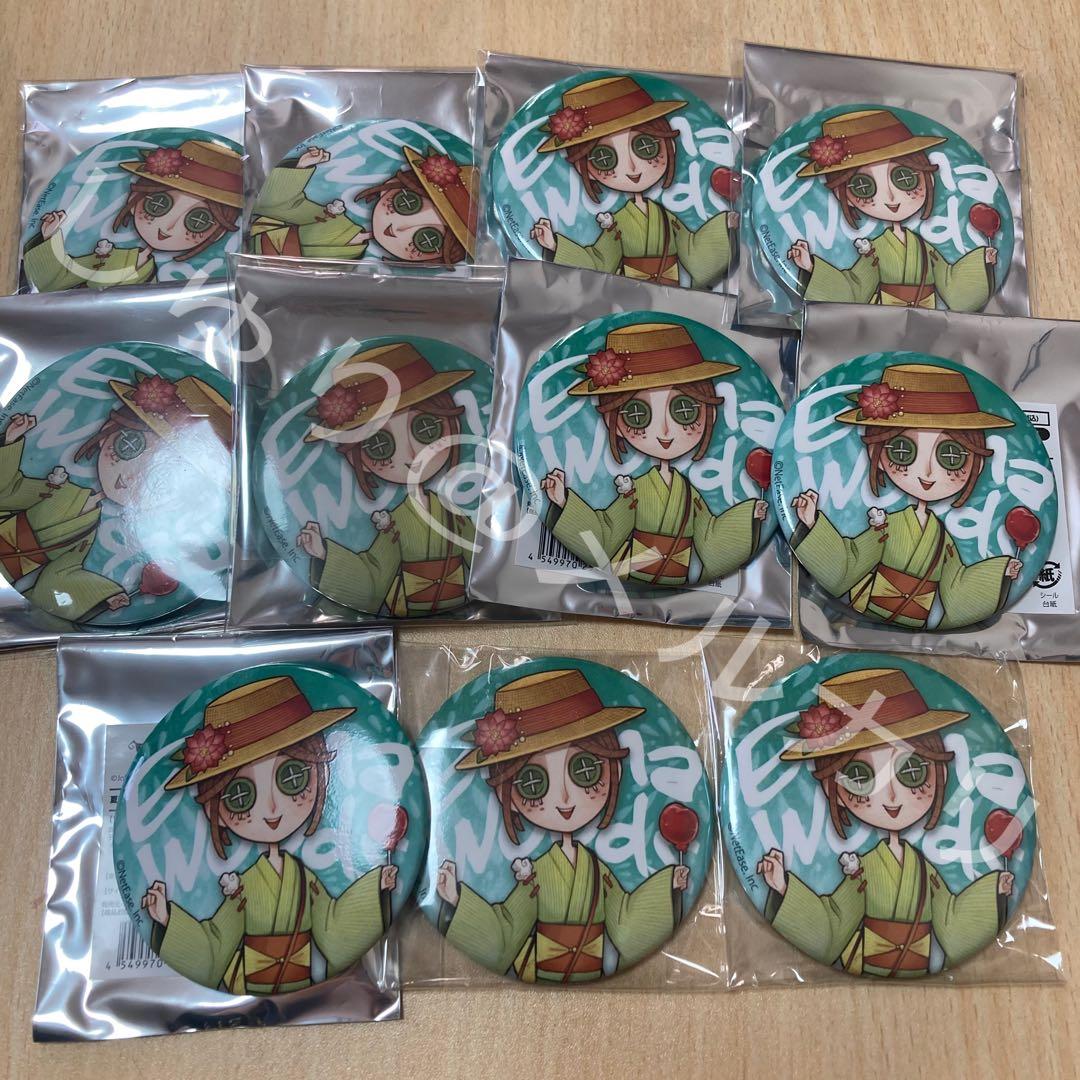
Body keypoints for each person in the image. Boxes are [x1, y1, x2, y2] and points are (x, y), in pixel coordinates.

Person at [141, 674, 399, 995]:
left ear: (320, 774)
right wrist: (168, 920)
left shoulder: (303, 879)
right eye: (241, 794)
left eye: (292, 778)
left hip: (306, 985)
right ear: (213, 808)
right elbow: (216, 941)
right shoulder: (245, 887)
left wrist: (375, 885)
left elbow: (333, 927)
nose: (272, 808)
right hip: (253, 983)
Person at [435, 667, 690, 983]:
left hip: (596, 977)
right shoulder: (537, 875)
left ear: (615, 770)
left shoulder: (596, 871)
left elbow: (625, 920)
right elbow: (506, 928)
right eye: (534, 782)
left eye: (585, 770)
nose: (565, 798)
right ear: (507, 795)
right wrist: (457, 899)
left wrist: (668, 885)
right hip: (542, 977)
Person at [757, 666, 1013, 977]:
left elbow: (951, 918)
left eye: (912, 771)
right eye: (860, 777)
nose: (891, 796)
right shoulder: (864, 871)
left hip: (920, 976)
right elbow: (832, 922)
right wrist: (783, 887)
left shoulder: (924, 870)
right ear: (833, 789)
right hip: (868, 971)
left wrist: (994, 889)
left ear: (941, 772)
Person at [790, 362, 1024, 630]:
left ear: (977, 464)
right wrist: (813, 523)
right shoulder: (887, 528)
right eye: (903, 450)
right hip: (866, 618)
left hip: (916, 628)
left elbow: (957, 584)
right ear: (876, 454)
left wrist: (1000, 572)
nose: (927, 472)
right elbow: (850, 561)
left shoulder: (941, 539)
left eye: (951, 456)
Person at [541, 321, 767, 587]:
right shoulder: (637, 491)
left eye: (684, 410)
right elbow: (607, 531)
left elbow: (709, 536)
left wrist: (749, 515)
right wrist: (564, 502)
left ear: (710, 413)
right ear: (615, 423)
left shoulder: (688, 494)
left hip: (680, 580)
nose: (664, 431)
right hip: (634, 575)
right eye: (637, 414)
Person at [0, 370, 232, 622]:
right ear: (107, 433)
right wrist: (11, 440)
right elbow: (8, 490)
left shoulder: (90, 525)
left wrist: (107, 595)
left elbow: (63, 571)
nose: (130, 477)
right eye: (130, 445)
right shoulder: (56, 490)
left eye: (161, 475)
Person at [295, 342, 477, 616]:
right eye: (379, 445)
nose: (412, 454)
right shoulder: (396, 525)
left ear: (451, 424)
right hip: (414, 616)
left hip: (465, 612)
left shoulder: (454, 515)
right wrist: (324, 554)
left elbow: (484, 560)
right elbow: (373, 576)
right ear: (358, 458)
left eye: (426, 428)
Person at [528, 75, 736, 288]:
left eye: (645, 146)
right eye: (605, 158)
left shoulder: (666, 218)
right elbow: (599, 262)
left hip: (673, 294)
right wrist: (555, 245)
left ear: (670, 146)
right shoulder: (618, 224)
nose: (632, 168)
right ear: (586, 171)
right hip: (627, 294)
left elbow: (693, 251)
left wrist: (725, 225)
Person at [786, 109, 997, 309]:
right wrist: (810, 267)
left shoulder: (924, 248)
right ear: (845, 197)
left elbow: (949, 281)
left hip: (930, 319)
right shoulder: (876, 250)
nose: (890, 197)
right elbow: (854, 289)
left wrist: (982, 260)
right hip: (884, 319)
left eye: (904, 178)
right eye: (864, 186)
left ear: (929, 178)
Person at [24, 139, 241, 291]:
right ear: (134, 200)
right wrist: (50, 238)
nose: (168, 227)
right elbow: (50, 283)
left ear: (220, 232)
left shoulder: (164, 277)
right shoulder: (106, 256)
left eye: (198, 221)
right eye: (158, 205)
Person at [250, 144, 476, 264]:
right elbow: (275, 203)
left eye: (428, 239)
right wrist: (302, 167)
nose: (398, 229)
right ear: (389, 187)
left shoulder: (360, 259)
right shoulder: (331, 217)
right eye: (406, 203)